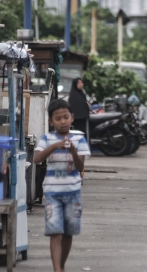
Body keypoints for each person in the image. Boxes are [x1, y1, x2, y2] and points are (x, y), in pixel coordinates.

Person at [34, 99, 90, 272]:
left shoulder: (79, 139)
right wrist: (55, 146)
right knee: (55, 232)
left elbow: (80, 167)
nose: (62, 121)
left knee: (68, 233)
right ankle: (57, 269)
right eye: (58, 118)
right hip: (52, 194)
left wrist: (72, 149)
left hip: (73, 193)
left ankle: (62, 265)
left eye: (65, 117)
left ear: (72, 117)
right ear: (51, 121)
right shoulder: (46, 138)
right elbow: (36, 159)